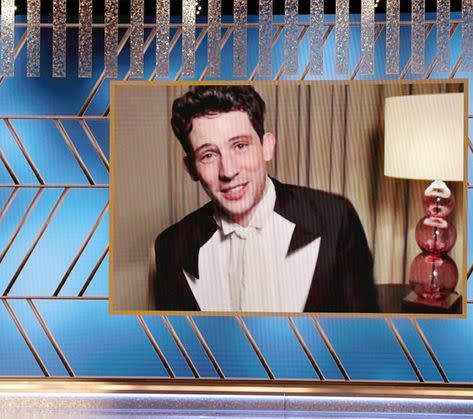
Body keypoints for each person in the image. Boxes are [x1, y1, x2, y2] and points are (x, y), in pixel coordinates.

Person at [153, 85, 379, 313]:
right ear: (190, 168)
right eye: (208, 155)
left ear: (267, 147)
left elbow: (364, 338)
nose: (228, 171)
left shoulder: (335, 218)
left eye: (240, 146)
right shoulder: (170, 247)